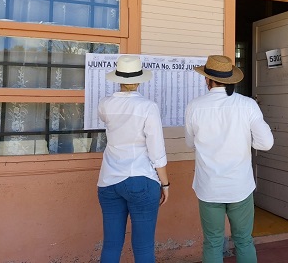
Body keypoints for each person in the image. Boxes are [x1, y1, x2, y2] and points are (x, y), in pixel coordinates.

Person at [184, 55, 274, 263]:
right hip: (239, 186)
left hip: (209, 187)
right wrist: (245, 142)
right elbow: (265, 143)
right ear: (230, 79)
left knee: (213, 242)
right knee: (243, 240)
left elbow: (190, 143)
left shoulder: (194, 106)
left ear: (207, 80)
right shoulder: (247, 105)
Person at [97, 55, 170, 263]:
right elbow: (156, 151)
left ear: (118, 79)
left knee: (111, 244)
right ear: (139, 80)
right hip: (141, 178)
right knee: (144, 247)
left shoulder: (105, 104)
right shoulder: (148, 107)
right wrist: (165, 184)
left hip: (109, 180)